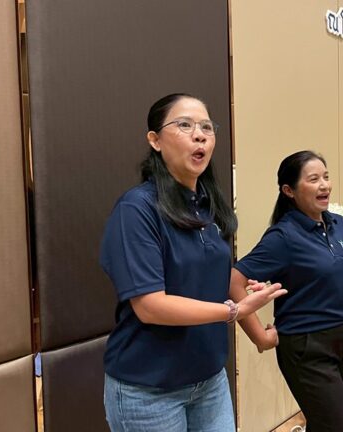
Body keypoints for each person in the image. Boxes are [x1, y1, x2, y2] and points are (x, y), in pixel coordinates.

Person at [99, 93, 286, 432]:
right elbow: (150, 306)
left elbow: (218, 279)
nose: (199, 135)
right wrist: (233, 311)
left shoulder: (208, 205)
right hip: (149, 389)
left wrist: (254, 319)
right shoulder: (136, 209)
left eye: (206, 127)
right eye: (184, 125)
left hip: (209, 380)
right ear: (155, 140)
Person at [231, 150, 343, 432]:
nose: (324, 185)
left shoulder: (339, 224)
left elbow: (337, 276)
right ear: (289, 191)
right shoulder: (283, 236)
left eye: (326, 177)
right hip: (307, 345)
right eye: (313, 179)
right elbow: (234, 280)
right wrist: (259, 336)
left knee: (324, 424)